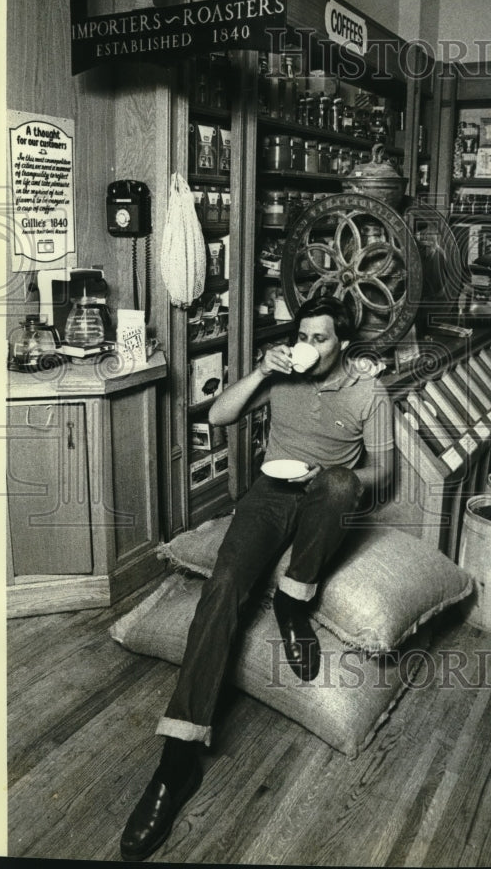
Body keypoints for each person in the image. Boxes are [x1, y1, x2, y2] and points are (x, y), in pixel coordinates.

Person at [120, 295, 394, 862]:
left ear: (342, 342)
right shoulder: (282, 373)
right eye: (304, 336)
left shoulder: (370, 391)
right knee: (221, 589)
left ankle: (295, 603)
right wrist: (260, 371)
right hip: (271, 494)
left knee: (341, 485)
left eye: (321, 339)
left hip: (327, 495)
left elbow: (385, 474)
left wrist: (336, 474)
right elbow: (219, 416)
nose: (309, 347)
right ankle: (176, 762)